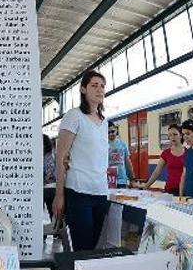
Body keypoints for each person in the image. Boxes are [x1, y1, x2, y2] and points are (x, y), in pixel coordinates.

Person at [53, 71, 110, 251]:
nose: (99, 90)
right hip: (78, 191)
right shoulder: (74, 116)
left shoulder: (104, 121)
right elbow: (61, 157)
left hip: (100, 191)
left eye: (102, 86)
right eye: (94, 85)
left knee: (95, 246)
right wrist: (59, 195)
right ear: (83, 89)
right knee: (82, 248)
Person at [141, 124, 186, 195]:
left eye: (175, 134)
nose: (172, 137)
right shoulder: (166, 153)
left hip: (185, 190)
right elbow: (156, 172)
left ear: (181, 135)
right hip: (170, 189)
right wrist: (146, 186)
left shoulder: (188, 153)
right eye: (170, 135)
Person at [107, 122, 135, 188]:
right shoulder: (103, 145)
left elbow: (127, 162)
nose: (111, 134)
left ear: (116, 130)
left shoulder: (123, 144)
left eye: (112, 131)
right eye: (108, 132)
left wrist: (132, 179)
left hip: (122, 180)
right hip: (109, 181)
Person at [42, 134, 56, 219]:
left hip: (49, 188)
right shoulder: (48, 156)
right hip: (49, 187)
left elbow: (49, 174)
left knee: (52, 212)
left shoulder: (48, 157)